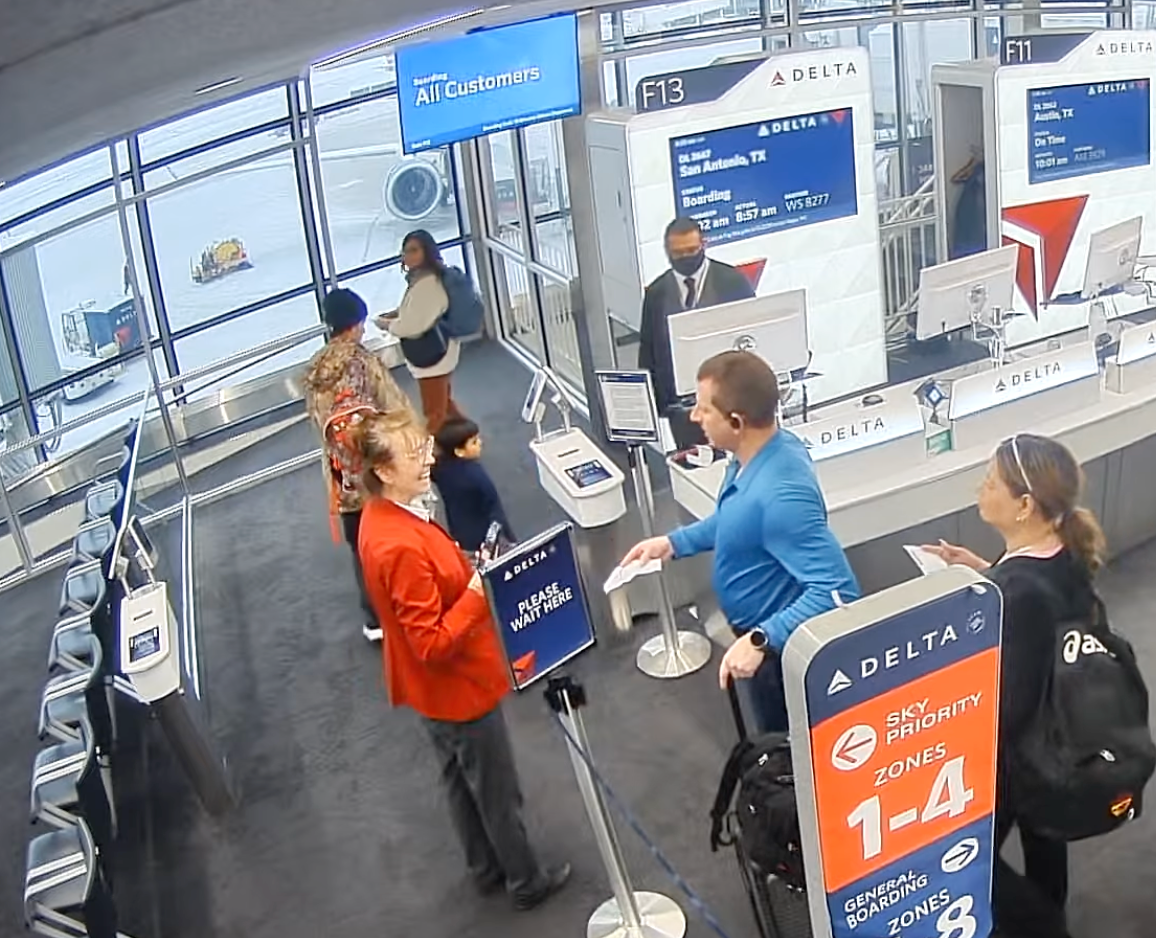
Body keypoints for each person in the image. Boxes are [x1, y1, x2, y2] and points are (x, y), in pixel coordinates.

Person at [352, 406, 570, 910]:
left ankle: (486, 868)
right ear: (383, 470)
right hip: (457, 687)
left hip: (429, 692)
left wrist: (461, 566)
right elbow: (431, 641)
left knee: (458, 779)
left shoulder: (381, 518)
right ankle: (526, 880)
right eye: (413, 453)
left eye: (423, 447)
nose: (427, 459)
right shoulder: (399, 545)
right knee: (495, 789)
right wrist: (475, 591)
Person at [922, 433, 1104, 938]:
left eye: (990, 483)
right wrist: (984, 571)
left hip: (1017, 758)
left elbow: (1011, 705)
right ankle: (1050, 909)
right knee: (1044, 838)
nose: (980, 490)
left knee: (962, 853)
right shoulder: (1064, 556)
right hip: (1061, 741)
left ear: (1024, 505)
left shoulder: (1016, 592)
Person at [621, 350, 859, 732]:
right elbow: (735, 520)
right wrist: (674, 543)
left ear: (736, 421)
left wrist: (761, 640)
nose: (694, 417)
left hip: (777, 656)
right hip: (757, 639)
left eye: (704, 409)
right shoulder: (751, 455)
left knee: (785, 745)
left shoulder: (781, 495)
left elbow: (837, 591)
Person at [303, 287, 409, 643]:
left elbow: (319, 424)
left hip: (342, 478)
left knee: (361, 548)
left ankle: (374, 618)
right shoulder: (363, 361)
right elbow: (395, 407)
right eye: (361, 323)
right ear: (355, 323)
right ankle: (405, 606)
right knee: (394, 538)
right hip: (376, 472)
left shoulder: (316, 370)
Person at [638, 217, 756, 446]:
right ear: (667, 251)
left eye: (691, 250)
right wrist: (654, 405)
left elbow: (752, 335)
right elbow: (648, 350)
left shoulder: (732, 282)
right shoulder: (656, 293)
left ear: (704, 244)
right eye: (678, 253)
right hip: (681, 412)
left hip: (729, 404)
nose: (686, 258)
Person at [376, 229, 463, 434]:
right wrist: (398, 313)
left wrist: (387, 325)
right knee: (444, 404)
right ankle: (467, 437)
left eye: (414, 250)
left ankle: (431, 451)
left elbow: (413, 327)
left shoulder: (427, 284)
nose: (408, 256)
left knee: (434, 412)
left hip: (433, 357)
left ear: (427, 251)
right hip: (440, 350)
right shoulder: (425, 279)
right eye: (405, 251)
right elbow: (419, 311)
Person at [431, 417, 516, 556]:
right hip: (483, 534)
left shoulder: (439, 468)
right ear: (459, 451)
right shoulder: (476, 475)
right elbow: (494, 507)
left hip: (460, 532)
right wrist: (505, 538)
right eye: (474, 442)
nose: (480, 443)